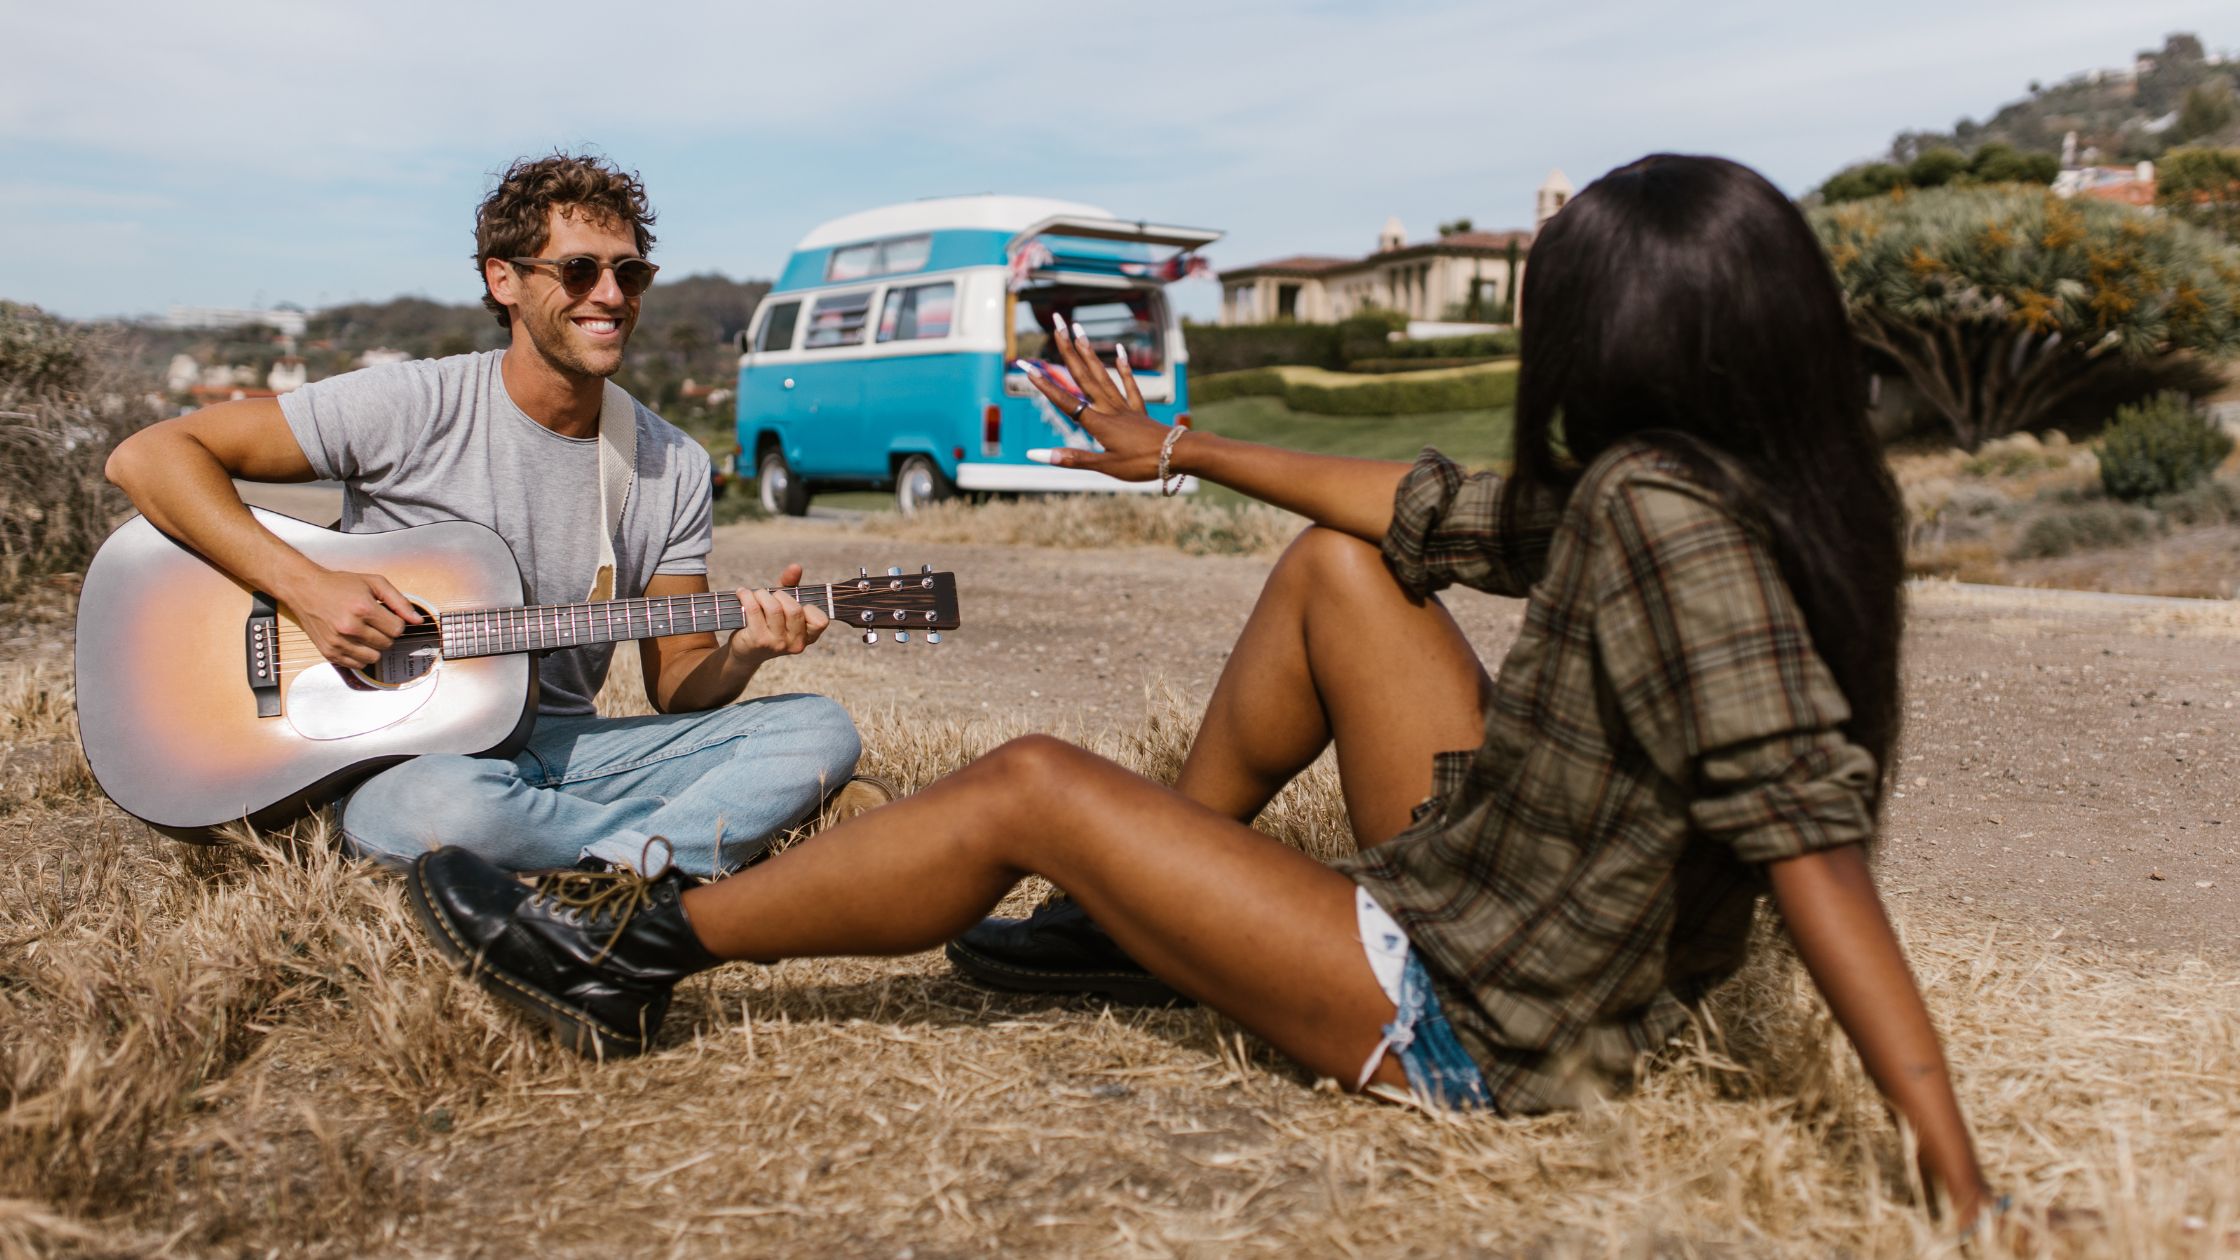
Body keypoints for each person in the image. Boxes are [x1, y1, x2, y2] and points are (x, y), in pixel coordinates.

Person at [404, 156, 2005, 1228]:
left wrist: (1962, 1188)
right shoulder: (1753, 483)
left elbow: (1812, 846)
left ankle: (635, 952)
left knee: (1032, 782)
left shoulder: (1669, 524)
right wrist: (1180, 449)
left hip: (1475, 1018)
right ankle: (1133, 918)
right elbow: (1425, 509)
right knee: (1341, 566)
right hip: (1507, 906)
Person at [105, 152, 871, 878]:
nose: (609, 295)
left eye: (629, 272)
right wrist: (305, 586)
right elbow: (149, 457)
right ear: (503, 280)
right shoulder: (414, 405)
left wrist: (744, 654)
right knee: (437, 808)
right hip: (399, 757)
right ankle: (702, 842)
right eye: (578, 270)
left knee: (816, 729)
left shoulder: (671, 463)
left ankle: (623, 863)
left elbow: (676, 684)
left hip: (565, 750)